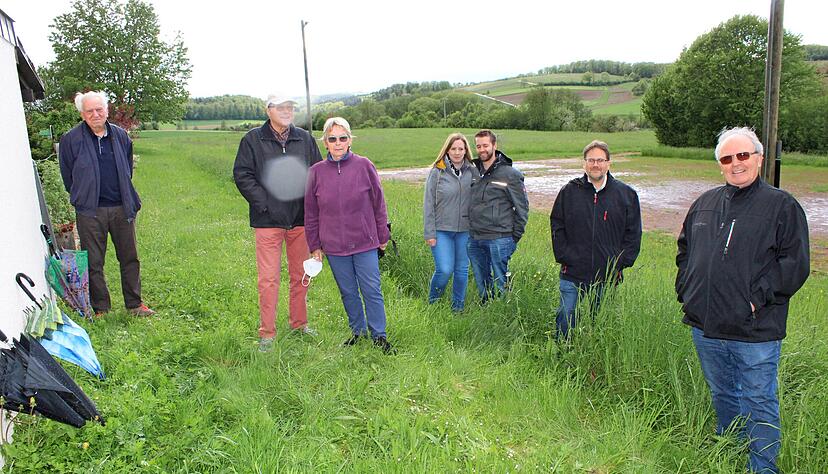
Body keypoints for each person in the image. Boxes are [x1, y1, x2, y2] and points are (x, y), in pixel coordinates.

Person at [676, 127, 810, 473]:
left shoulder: (782, 206)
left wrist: (753, 302)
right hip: (706, 327)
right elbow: (685, 251)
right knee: (722, 393)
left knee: (758, 400)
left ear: (759, 159)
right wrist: (687, 292)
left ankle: (761, 467)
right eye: (727, 158)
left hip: (755, 330)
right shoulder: (704, 204)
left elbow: (794, 265)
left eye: (743, 155)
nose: (735, 163)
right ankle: (729, 451)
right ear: (719, 164)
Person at [233, 94, 322, 352]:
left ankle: (299, 324)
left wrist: (313, 210)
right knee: (268, 279)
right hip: (268, 221)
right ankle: (267, 333)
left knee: (301, 275)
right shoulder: (252, 140)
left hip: (300, 221)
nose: (286, 111)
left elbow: (317, 175)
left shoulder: (304, 139)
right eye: (280, 107)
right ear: (268, 110)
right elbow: (242, 174)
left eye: (289, 107)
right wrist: (265, 205)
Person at [58, 91, 154, 317]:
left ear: (106, 110)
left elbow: (127, 170)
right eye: (89, 111)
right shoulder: (71, 140)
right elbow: (68, 177)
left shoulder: (120, 136)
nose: (95, 114)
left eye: (99, 109)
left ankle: (134, 304)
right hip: (90, 211)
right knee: (94, 261)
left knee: (129, 257)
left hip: (122, 207)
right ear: (82, 114)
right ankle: (101, 308)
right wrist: (83, 196)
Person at [304, 117, 395, 354]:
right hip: (334, 246)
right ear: (325, 142)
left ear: (350, 140)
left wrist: (383, 235)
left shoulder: (364, 166)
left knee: (371, 290)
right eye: (332, 138)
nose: (338, 143)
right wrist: (314, 245)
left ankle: (379, 336)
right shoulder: (315, 173)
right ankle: (358, 332)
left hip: (365, 242)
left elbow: (379, 203)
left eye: (342, 138)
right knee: (348, 292)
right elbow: (311, 213)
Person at [550, 140, 642, 338]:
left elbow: (633, 233)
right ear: (584, 163)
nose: (595, 165)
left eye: (600, 160)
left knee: (600, 321)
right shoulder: (569, 192)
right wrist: (565, 256)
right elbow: (557, 225)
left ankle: (596, 352)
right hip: (572, 271)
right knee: (566, 315)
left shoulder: (626, 195)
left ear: (608, 163)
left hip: (606, 274)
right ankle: (562, 350)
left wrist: (619, 263)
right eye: (591, 160)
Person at [467, 130, 529, 303]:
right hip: (475, 238)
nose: (482, 149)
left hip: (500, 238)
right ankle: (486, 309)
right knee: (482, 282)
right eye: (478, 146)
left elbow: (522, 208)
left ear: (494, 145)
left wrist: (514, 237)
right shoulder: (472, 172)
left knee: (501, 283)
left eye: (485, 145)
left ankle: (504, 311)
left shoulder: (511, 174)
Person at [423, 133, 479, 312]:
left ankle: (458, 309)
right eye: (453, 148)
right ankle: (433, 305)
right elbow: (428, 204)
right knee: (445, 269)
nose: (457, 152)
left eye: (460, 149)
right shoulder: (437, 172)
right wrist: (429, 233)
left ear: (466, 150)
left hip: (465, 230)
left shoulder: (473, 171)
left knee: (462, 270)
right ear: (447, 150)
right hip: (441, 230)